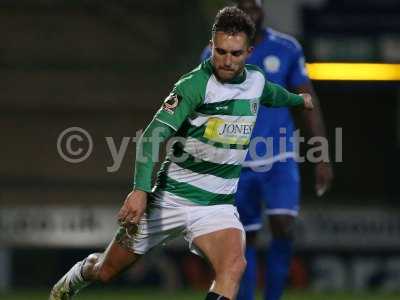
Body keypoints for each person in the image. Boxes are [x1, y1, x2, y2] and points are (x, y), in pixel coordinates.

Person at [49, 6, 313, 300]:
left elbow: (274, 95)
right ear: (211, 46)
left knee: (234, 266)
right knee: (107, 270)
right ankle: (78, 275)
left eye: (235, 54)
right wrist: (140, 190)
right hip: (168, 199)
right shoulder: (193, 86)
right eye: (220, 51)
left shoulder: (256, 80)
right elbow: (152, 137)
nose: (226, 61)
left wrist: (299, 100)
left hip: (215, 206)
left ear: (249, 52)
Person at [201, 1, 333, 300]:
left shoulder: (286, 48)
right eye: (245, 7)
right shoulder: (218, 52)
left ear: (262, 10)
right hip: (237, 163)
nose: (251, 13)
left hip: (279, 157)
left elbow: (308, 101)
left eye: (256, 7)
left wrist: (322, 154)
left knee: (284, 225)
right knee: (242, 239)